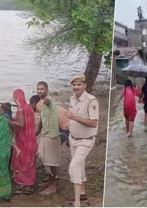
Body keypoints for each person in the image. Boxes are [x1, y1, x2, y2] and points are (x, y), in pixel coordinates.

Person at [66, 75, 99, 207]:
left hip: (86, 140)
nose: (76, 87)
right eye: (74, 85)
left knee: (73, 167)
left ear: (84, 85)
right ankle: (82, 192)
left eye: (79, 84)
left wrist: (75, 117)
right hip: (73, 138)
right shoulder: (72, 99)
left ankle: (77, 202)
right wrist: (69, 129)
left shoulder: (92, 101)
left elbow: (93, 123)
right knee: (79, 165)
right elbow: (70, 117)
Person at [35, 81, 61, 195]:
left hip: (52, 135)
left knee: (52, 162)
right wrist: (36, 133)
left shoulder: (49, 100)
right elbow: (41, 120)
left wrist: (42, 102)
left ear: (47, 90)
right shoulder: (42, 103)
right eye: (38, 89)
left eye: (42, 89)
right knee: (42, 157)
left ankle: (53, 185)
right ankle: (50, 180)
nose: (39, 91)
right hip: (45, 134)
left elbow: (47, 101)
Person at [9, 89, 37, 194]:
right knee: (29, 160)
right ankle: (29, 185)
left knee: (21, 160)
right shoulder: (29, 108)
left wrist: (9, 121)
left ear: (16, 97)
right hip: (31, 139)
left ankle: (22, 185)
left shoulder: (20, 109)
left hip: (23, 139)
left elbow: (21, 124)